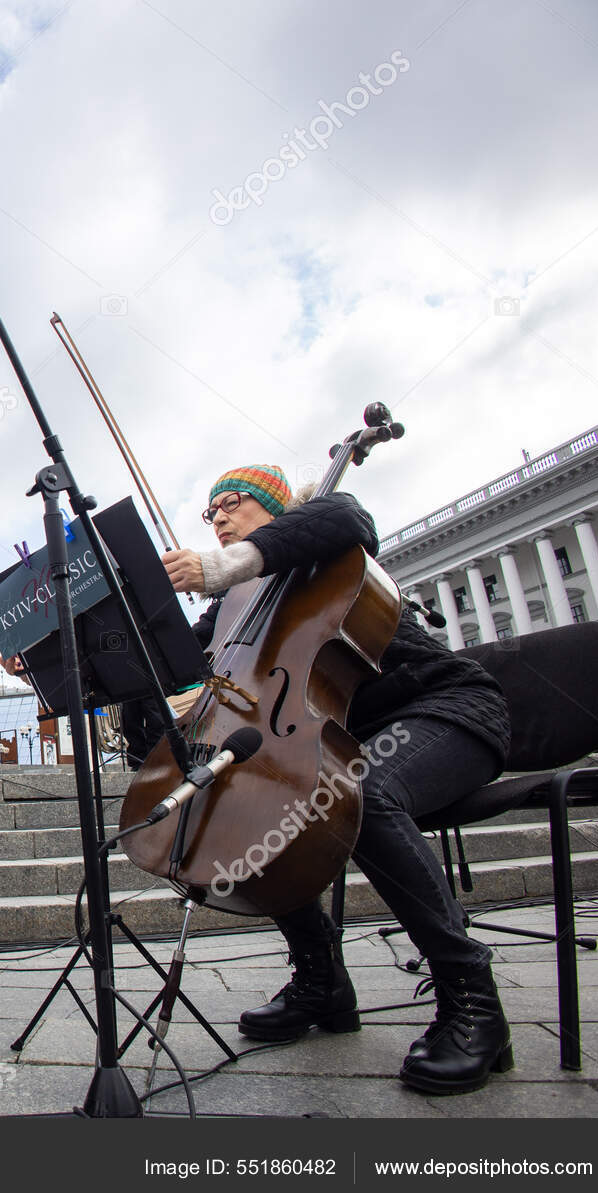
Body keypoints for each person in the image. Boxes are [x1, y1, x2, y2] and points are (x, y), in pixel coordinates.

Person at [160, 463, 513, 1095]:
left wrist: (222, 564)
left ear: (278, 510)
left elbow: (348, 516)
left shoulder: (328, 544)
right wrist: (75, 653)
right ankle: (322, 982)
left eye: (230, 505)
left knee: (361, 790)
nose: (215, 520)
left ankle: (472, 1000)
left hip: (442, 713)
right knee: (256, 808)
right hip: (336, 741)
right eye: (208, 514)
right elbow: (169, 659)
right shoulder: (235, 606)